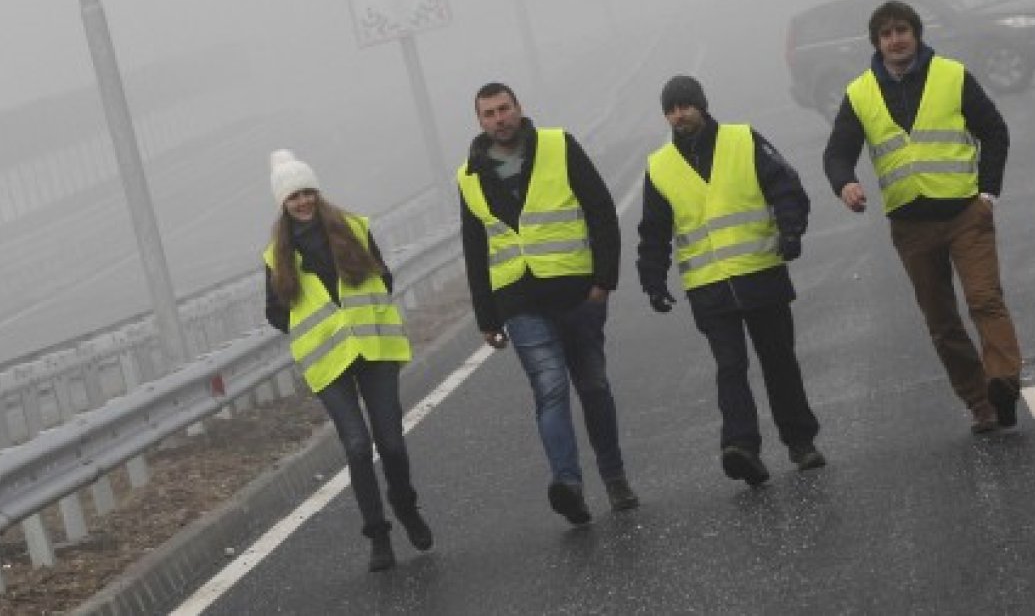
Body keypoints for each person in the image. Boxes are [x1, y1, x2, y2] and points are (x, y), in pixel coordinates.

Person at [822, 0, 1024, 434]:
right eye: (886, 34)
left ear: (916, 34)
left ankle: (1004, 382)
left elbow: (994, 131)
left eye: (902, 30)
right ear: (877, 42)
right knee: (942, 322)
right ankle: (980, 402)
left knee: (984, 299)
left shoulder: (952, 75)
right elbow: (837, 153)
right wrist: (845, 184)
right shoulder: (860, 93)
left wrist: (987, 193)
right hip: (911, 226)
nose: (896, 40)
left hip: (965, 213)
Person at [458, 82, 638, 526]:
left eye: (504, 109)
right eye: (489, 113)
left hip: (577, 293)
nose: (499, 119)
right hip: (520, 302)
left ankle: (615, 478)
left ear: (519, 108)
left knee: (593, 386)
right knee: (550, 387)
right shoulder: (469, 176)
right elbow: (475, 249)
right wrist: (486, 317)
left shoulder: (559, 146)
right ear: (479, 121)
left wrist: (604, 280)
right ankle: (568, 486)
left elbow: (600, 210)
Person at [637, 75, 825, 487]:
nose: (679, 115)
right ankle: (741, 447)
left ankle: (800, 442)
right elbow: (653, 230)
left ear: (702, 106)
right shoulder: (660, 167)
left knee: (778, 361)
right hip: (708, 286)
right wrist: (652, 280)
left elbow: (786, 188)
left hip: (761, 272)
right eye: (671, 109)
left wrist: (791, 230)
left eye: (685, 106)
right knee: (730, 366)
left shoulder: (743, 140)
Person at [262, 149, 432, 572]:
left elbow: (383, 276)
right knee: (357, 445)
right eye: (293, 196)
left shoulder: (353, 228)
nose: (303, 201)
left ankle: (405, 505)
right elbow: (275, 312)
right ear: (282, 203)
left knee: (391, 443)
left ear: (317, 192)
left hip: (374, 349)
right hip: (328, 361)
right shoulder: (275, 256)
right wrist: (313, 326)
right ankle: (378, 535)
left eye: (307, 192)